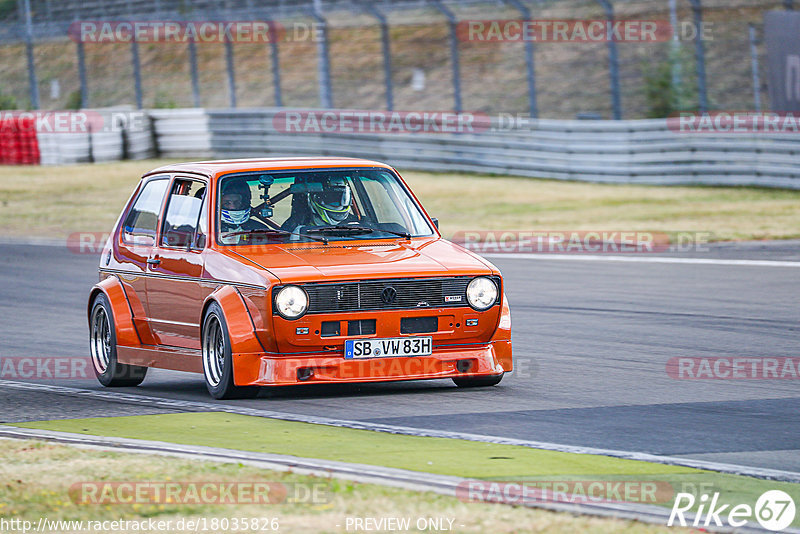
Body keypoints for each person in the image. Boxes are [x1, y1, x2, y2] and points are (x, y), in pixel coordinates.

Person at [282, 176, 355, 235]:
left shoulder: (360, 224)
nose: (338, 203)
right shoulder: (294, 225)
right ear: (314, 198)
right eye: (331, 197)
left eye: (341, 196)